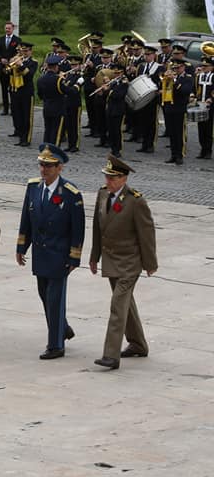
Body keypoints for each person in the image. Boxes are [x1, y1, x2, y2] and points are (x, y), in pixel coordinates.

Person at [16, 143, 85, 360]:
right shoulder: (33, 187)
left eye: (49, 166)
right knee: (44, 295)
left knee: (55, 298)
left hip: (59, 254)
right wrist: (21, 246)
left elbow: (78, 228)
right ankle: (62, 328)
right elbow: (26, 219)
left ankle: (56, 345)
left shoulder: (71, 193)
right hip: (40, 252)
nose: (44, 169)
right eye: (42, 165)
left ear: (60, 168)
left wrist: (74, 256)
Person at [88, 156, 158, 370]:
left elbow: (146, 234)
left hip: (130, 262)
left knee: (117, 306)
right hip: (111, 260)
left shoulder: (136, 201)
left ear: (124, 179)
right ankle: (138, 344)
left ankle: (111, 355)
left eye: (113, 178)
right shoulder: (102, 194)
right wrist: (94, 256)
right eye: (107, 177)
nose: (108, 181)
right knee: (126, 305)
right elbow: (98, 228)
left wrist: (150, 263)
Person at [160, 57, 191, 165]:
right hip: (169, 108)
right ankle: (173, 154)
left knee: (179, 133)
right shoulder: (169, 78)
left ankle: (180, 155)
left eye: (178, 68)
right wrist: (165, 79)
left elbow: (185, 91)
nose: (176, 70)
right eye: (175, 68)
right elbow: (165, 90)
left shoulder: (187, 78)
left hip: (179, 108)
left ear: (183, 67)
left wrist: (174, 80)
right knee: (172, 133)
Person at [8, 42, 37, 147]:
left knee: (26, 116)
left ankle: (27, 139)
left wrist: (21, 65)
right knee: (18, 115)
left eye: (26, 51)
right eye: (22, 51)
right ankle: (21, 137)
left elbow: (29, 75)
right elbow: (9, 73)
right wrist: (11, 65)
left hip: (27, 92)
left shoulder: (33, 62)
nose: (24, 53)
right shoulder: (17, 60)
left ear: (30, 51)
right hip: (16, 91)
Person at [135, 46, 162, 154]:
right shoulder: (141, 67)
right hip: (143, 98)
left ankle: (151, 144)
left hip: (153, 98)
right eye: (145, 55)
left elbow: (162, 82)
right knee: (143, 121)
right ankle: (144, 144)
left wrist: (159, 90)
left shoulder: (159, 68)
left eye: (149, 55)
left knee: (152, 122)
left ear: (154, 55)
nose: (146, 56)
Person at [36, 55, 67, 145]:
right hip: (58, 109)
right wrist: (78, 84)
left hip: (46, 107)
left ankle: (46, 150)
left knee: (48, 130)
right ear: (56, 67)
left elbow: (40, 95)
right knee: (56, 132)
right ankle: (54, 152)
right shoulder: (58, 80)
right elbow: (68, 91)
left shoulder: (40, 79)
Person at [0, 21, 21, 116]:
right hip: (2, 67)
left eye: (9, 28)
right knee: (4, 88)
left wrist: (11, 60)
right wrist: (1, 58)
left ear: (12, 29)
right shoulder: (0, 39)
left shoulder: (17, 40)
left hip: (12, 68)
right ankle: (5, 109)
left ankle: (13, 108)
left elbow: (18, 52)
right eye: (6, 28)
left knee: (12, 89)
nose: (7, 30)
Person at [104, 64, 129, 157]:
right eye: (114, 73)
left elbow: (118, 95)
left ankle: (118, 149)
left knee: (117, 130)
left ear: (122, 72)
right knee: (111, 130)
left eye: (117, 73)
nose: (115, 75)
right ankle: (113, 148)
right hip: (110, 108)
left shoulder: (124, 82)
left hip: (118, 109)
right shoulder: (114, 81)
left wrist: (107, 90)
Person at [61, 55, 84, 153]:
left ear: (79, 65)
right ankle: (70, 144)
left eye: (75, 65)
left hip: (75, 103)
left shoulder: (80, 76)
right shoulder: (68, 75)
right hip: (67, 103)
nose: (73, 67)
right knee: (68, 125)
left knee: (75, 126)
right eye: (72, 65)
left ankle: (75, 145)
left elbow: (74, 91)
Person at [195, 56, 214, 159]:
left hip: (210, 106)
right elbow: (195, 88)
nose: (204, 67)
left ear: (211, 67)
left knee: (208, 129)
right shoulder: (199, 76)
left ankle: (208, 151)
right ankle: (202, 149)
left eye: (206, 66)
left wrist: (211, 98)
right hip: (200, 105)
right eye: (203, 66)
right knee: (201, 128)